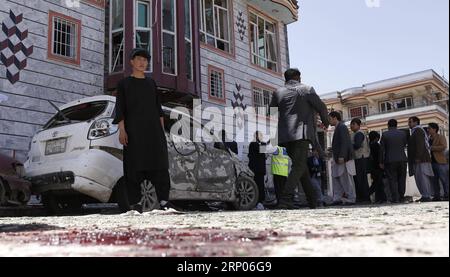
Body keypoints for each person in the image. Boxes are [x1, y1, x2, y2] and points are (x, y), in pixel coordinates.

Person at [113, 48, 175, 212]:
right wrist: (122, 130)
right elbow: (120, 109)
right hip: (134, 134)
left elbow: (158, 109)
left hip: (154, 133)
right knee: (133, 168)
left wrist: (162, 134)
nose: (142, 62)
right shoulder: (124, 84)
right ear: (131, 62)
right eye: (139, 59)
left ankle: (164, 202)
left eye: (145, 60)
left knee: (160, 167)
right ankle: (136, 204)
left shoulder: (151, 83)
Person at [269, 68, 330, 209]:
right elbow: (321, 107)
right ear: (298, 77)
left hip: (284, 137)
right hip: (300, 134)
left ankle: (313, 201)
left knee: (302, 169)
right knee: (299, 166)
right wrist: (326, 122)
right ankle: (285, 199)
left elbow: (271, 113)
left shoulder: (278, 92)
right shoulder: (306, 89)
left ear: (286, 79)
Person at [329, 111, 356, 205]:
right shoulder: (339, 127)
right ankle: (338, 198)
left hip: (343, 158)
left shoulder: (342, 127)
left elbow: (345, 142)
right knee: (337, 177)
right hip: (338, 157)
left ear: (335, 118)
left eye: (330, 118)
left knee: (345, 178)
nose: (329, 121)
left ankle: (351, 197)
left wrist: (342, 156)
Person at [380, 119, 408, 203]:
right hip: (402, 159)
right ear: (396, 125)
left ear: (388, 125)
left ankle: (395, 198)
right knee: (402, 179)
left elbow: (382, 149)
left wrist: (381, 161)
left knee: (392, 180)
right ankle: (401, 197)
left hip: (390, 160)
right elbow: (404, 144)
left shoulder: (385, 135)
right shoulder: (403, 133)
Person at [408, 117, 433, 202]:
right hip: (420, 159)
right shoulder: (415, 131)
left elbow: (420, 145)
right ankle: (425, 195)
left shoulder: (418, 131)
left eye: (410, 122)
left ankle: (426, 195)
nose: (409, 124)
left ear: (416, 122)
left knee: (423, 178)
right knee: (420, 178)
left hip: (421, 159)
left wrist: (418, 157)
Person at [350, 118, 371, 203]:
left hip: (360, 158)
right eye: (351, 124)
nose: (351, 126)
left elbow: (357, 145)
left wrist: (348, 146)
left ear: (358, 125)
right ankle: (362, 197)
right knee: (359, 179)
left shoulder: (359, 134)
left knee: (361, 179)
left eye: (353, 124)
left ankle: (364, 198)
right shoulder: (355, 134)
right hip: (359, 158)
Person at [428, 123, 449, 201]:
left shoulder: (441, 137)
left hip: (440, 162)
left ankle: (447, 195)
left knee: (444, 180)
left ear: (434, 129)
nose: (428, 130)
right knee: (434, 180)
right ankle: (437, 196)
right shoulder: (428, 138)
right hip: (431, 162)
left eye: (429, 128)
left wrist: (432, 148)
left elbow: (444, 146)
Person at [248, 131, 267, 210]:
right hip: (256, 170)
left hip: (259, 170)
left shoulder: (257, 145)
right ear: (256, 136)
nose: (262, 137)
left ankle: (259, 201)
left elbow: (263, 155)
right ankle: (258, 202)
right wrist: (263, 143)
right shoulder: (253, 144)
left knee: (260, 186)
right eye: (260, 135)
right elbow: (262, 152)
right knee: (258, 186)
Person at [368, 131, 387, 203]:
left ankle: (379, 198)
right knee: (378, 183)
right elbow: (380, 156)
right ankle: (369, 194)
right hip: (378, 167)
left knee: (377, 183)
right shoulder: (377, 146)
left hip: (372, 167)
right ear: (376, 138)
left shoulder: (369, 145)